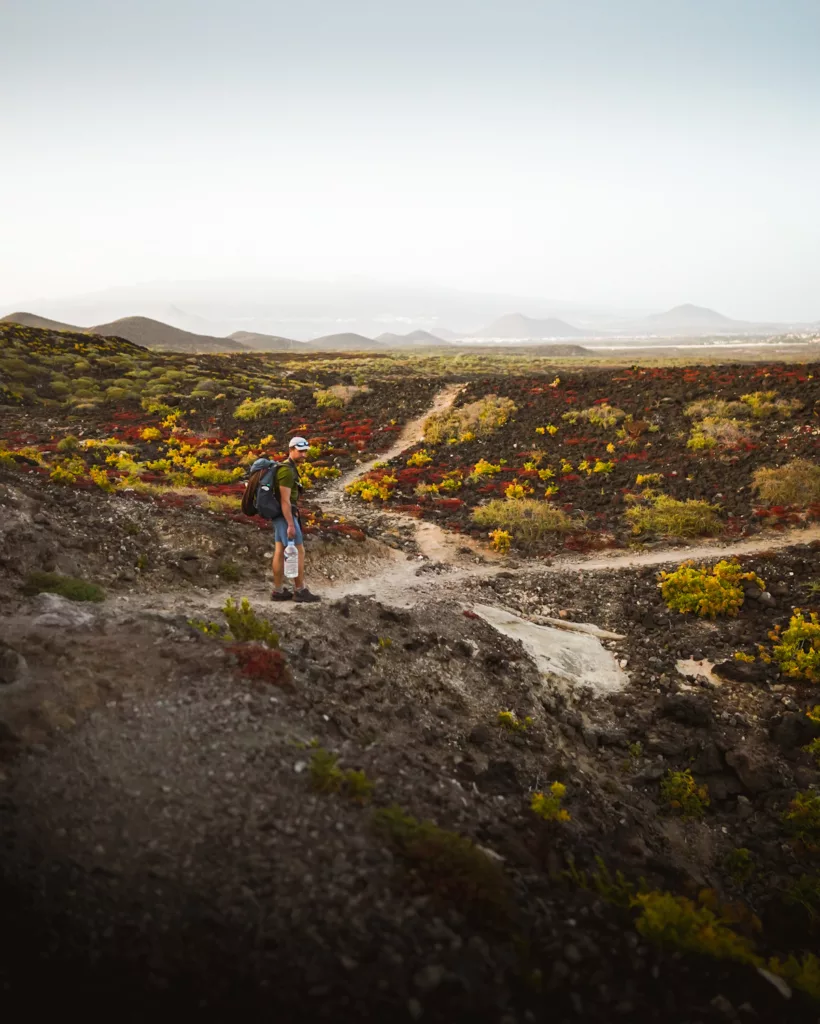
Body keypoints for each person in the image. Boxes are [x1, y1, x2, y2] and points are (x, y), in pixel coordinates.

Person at [270, 436, 321, 602]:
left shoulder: (287, 468)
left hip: (279, 515)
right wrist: (291, 524)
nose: (304, 455)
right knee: (298, 551)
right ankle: (300, 590)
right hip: (285, 515)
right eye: (300, 451)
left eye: (305, 451)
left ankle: (278, 591)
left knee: (279, 550)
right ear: (291, 450)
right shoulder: (286, 471)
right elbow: (284, 500)